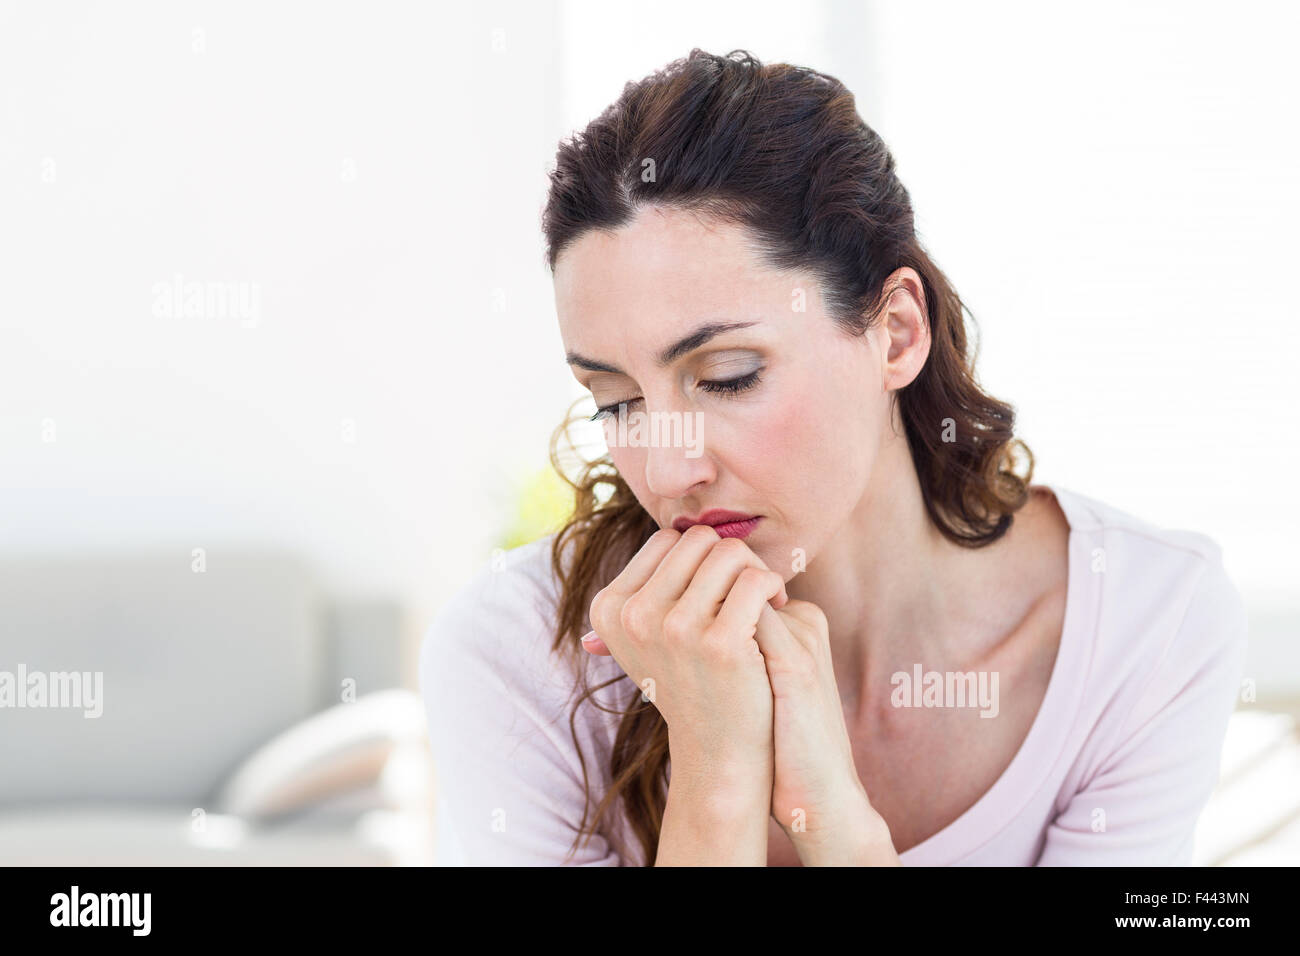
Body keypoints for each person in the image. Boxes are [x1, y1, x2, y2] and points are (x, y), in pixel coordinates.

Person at [420, 49, 1248, 866]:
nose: (669, 474)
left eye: (727, 377)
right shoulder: (520, 658)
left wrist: (835, 823)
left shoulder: (1145, 625)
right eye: (616, 402)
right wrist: (718, 772)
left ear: (895, 333)